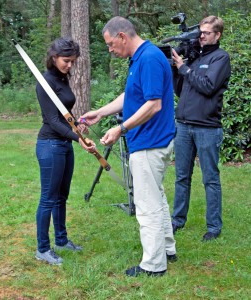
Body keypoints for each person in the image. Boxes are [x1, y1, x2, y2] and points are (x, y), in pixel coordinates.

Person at [79, 16, 177, 277]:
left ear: (122, 36)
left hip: (149, 143)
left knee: (147, 206)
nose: (110, 49)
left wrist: (121, 128)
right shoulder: (140, 58)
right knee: (157, 196)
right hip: (149, 141)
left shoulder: (149, 58)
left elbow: (153, 104)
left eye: (111, 43)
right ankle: (168, 249)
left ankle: (154, 265)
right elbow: (131, 96)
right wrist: (100, 113)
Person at [35, 37, 95, 265]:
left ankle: (61, 240)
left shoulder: (62, 78)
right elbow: (51, 120)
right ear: (54, 57)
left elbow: (63, 114)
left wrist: (76, 126)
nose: (70, 65)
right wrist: (78, 137)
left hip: (64, 144)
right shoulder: (45, 81)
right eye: (66, 61)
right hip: (50, 145)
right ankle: (42, 248)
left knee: (62, 197)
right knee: (48, 199)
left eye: (73, 61)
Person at [171, 16, 231, 241]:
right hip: (184, 126)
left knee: (210, 179)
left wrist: (184, 69)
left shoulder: (220, 58)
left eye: (206, 32)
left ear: (217, 35)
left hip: (207, 128)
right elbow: (181, 91)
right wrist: (175, 69)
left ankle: (214, 227)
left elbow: (207, 86)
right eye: (201, 32)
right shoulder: (194, 58)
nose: (201, 36)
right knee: (181, 177)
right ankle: (178, 219)